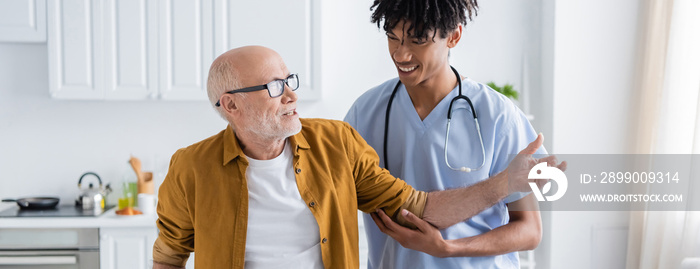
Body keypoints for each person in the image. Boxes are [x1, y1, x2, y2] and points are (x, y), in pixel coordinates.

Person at [152, 46, 563, 269]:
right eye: (274, 87)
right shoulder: (190, 169)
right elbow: (169, 257)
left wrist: (505, 184)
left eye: (289, 80)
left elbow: (418, 206)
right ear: (231, 106)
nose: (292, 95)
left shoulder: (336, 142)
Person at [344, 0, 549, 268]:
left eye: (418, 41)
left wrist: (448, 249)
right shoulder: (366, 112)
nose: (401, 54)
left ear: (453, 36)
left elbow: (530, 231)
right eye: (393, 38)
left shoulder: (497, 115)